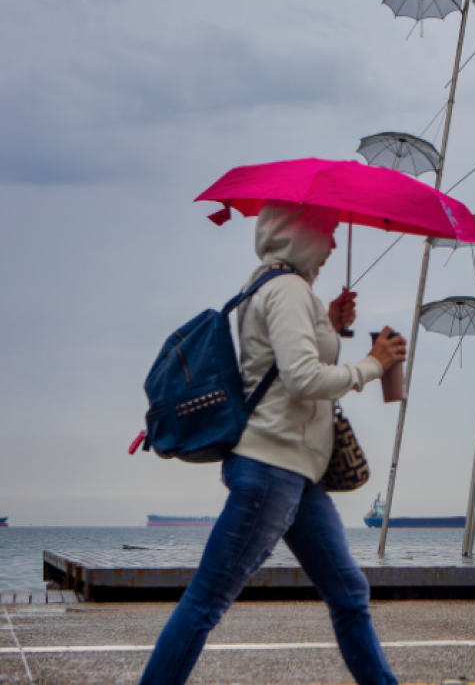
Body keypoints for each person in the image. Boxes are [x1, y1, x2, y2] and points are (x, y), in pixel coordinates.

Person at [140, 203, 407, 685]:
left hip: (296, 474)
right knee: (206, 601)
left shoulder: (271, 284)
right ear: (299, 234)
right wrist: (373, 363)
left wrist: (328, 320)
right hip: (270, 469)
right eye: (327, 232)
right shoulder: (286, 290)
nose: (332, 245)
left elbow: (281, 364)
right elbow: (302, 377)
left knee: (349, 593)